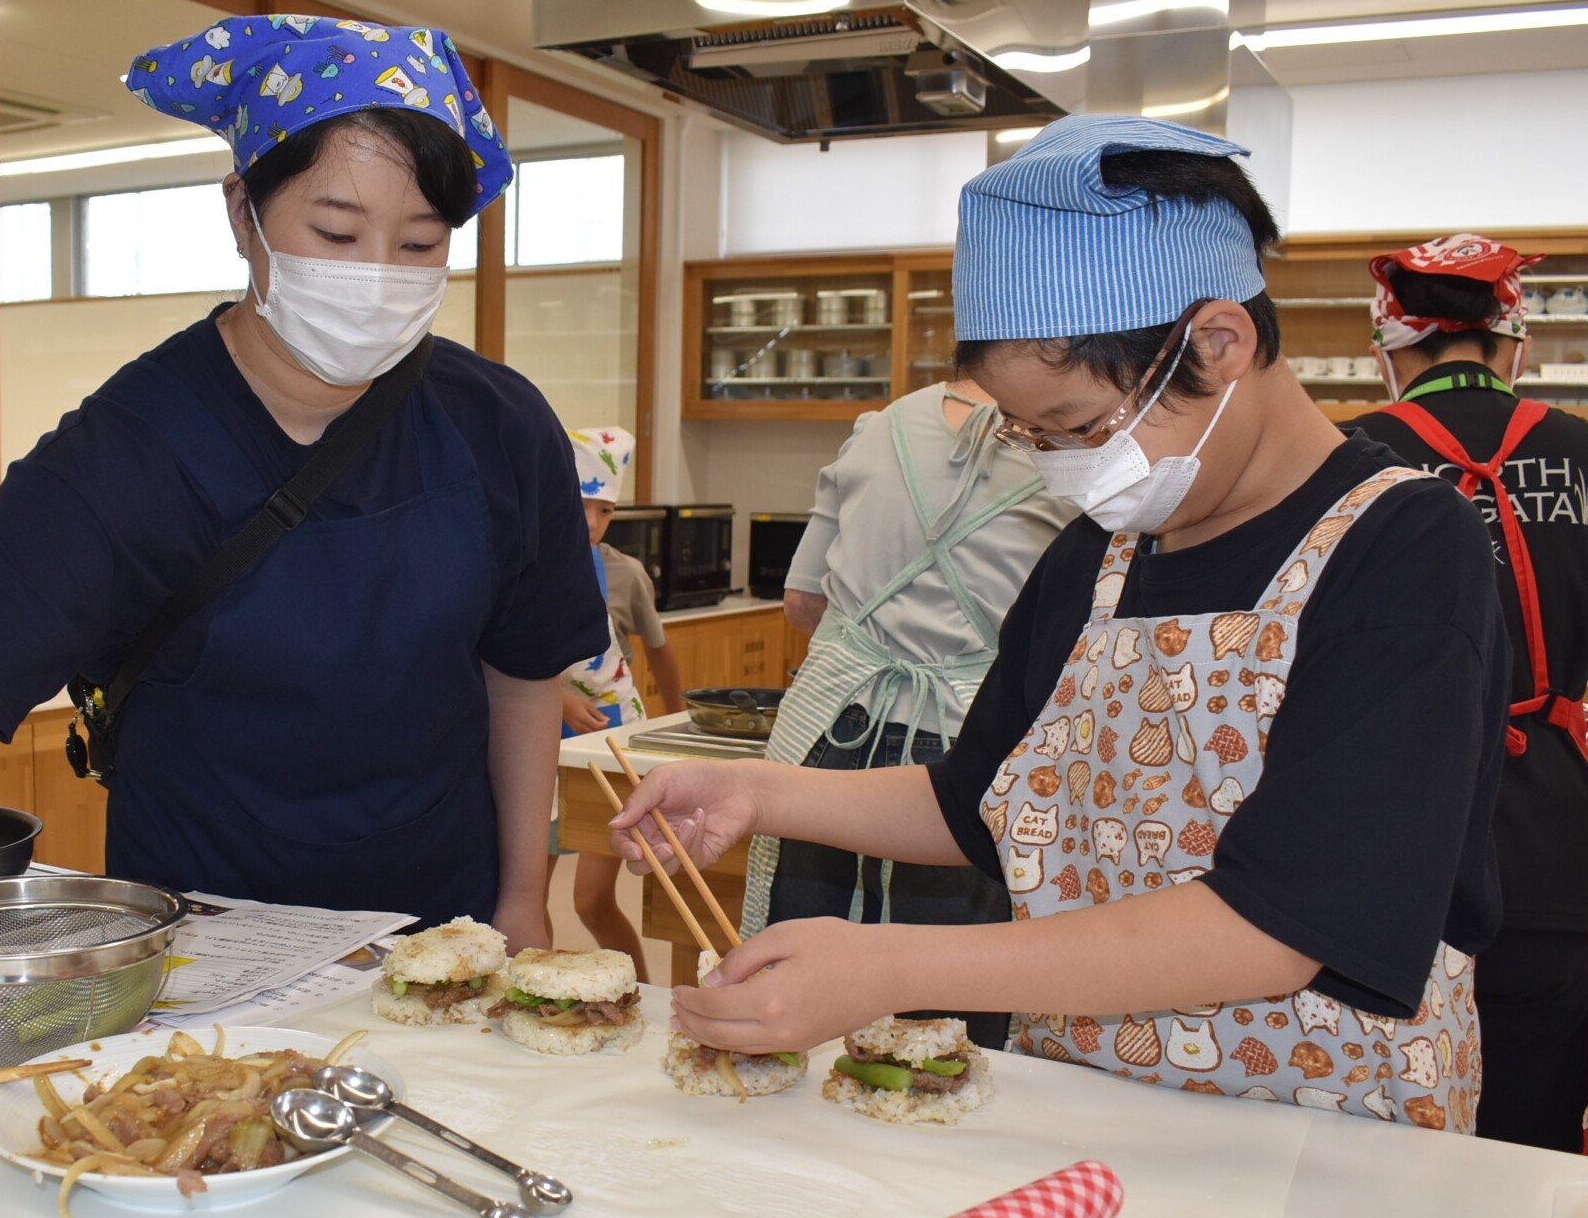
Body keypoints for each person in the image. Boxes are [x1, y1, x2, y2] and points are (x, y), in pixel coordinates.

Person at [0, 16, 606, 1165]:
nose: (376, 276)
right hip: (204, 962)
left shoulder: (497, 425)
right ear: (242, 213)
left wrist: (522, 901)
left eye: (420, 244)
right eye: (335, 231)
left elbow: (522, 678)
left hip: (439, 942)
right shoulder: (135, 448)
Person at [609, 114, 1508, 1133]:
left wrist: (891, 964)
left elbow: (1285, 920)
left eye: (1082, 427)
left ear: (1220, 343)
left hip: (1317, 1123)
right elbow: (976, 799)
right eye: (1034, 438)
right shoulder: (1100, 555)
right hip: (1080, 1101)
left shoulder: (1403, 549)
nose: (1066, 470)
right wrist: (760, 791)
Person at [1342, 235, 1588, 1152]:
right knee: (1538, 1131)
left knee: (1400, 1129)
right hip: (1561, 840)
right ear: (1513, 343)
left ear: (1389, 350)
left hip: (1405, 842)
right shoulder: (1582, 450)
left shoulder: (1349, 457)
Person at [753, 379, 1073, 1049]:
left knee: (797, 978)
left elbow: (803, 604)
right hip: (969, 747)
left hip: (831, 732)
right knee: (948, 1014)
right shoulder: (1074, 451)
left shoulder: (877, 428)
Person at [558, 426, 653, 980]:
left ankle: (641, 995)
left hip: (611, 741)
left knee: (591, 901)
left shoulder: (622, 571)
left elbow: (659, 650)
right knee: (523, 895)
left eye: (605, 511)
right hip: (543, 745)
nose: (592, 523)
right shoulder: (526, 565)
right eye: (581, 507)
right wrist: (557, 698)